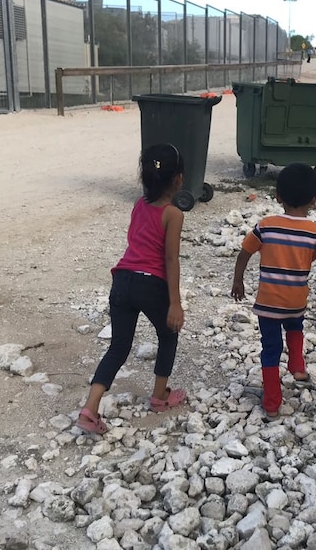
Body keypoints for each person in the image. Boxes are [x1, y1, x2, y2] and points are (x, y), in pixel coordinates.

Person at [76, 144, 187, 434]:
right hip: (150, 283)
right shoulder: (173, 214)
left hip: (122, 279)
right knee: (168, 334)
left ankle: (90, 408)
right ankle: (159, 397)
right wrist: (174, 303)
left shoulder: (139, 205)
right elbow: (171, 259)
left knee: (118, 347)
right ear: (178, 179)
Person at [232, 163, 316, 418]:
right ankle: (297, 365)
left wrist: (238, 281)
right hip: (296, 302)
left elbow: (245, 253)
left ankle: (272, 402)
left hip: (268, 304)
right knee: (295, 328)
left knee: (270, 349)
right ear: (315, 199)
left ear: (278, 196)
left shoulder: (266, 225)